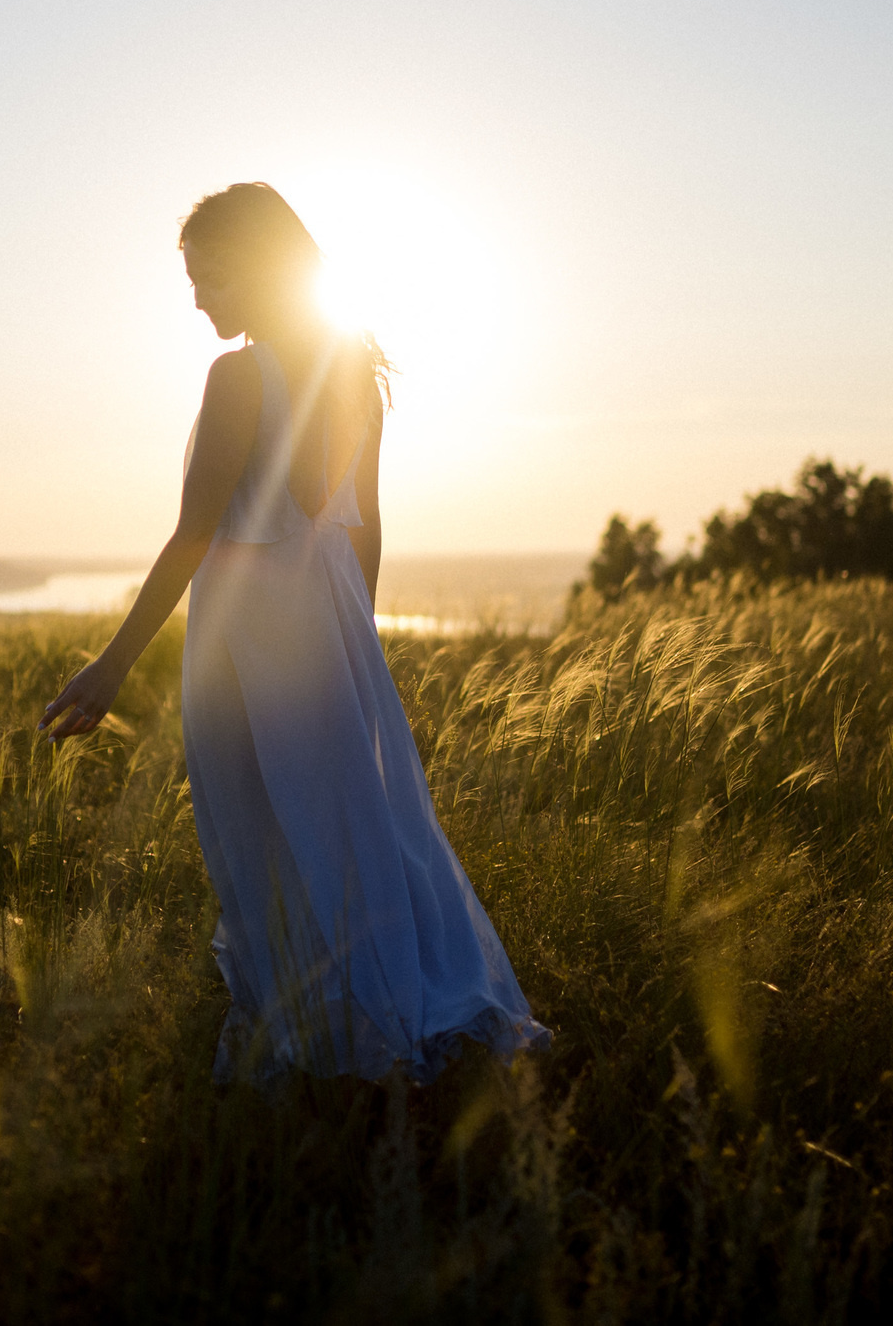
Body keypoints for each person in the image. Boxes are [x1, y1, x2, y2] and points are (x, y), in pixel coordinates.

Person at [39, 182, 550, 1084]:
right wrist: (361, 647)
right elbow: (368, 527)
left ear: (262, 269)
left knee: (265, 827)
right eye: (193, 280)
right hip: (334, 617)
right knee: (359, 821)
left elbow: (196, 536)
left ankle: (327, 1031)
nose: (198, 297)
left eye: (213, 277)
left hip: (249, 638)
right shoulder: (354, 375)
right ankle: (381, 1008)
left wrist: (111, 665)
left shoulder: (240, 377)